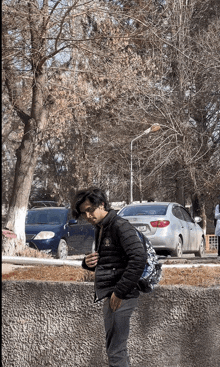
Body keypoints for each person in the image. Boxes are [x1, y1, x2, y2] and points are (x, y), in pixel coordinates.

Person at [72, 187, 146, 367]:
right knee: (117, 350)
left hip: (121, 295)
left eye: (90, 209)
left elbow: (138, 258)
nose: (88, 216)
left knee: (116, 352)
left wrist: (119, 292)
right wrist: (87, 263)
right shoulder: (102, 227)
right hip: (113, 293)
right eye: (84, 213)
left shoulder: (119, 225)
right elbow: (113, 260)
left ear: (102, 204)